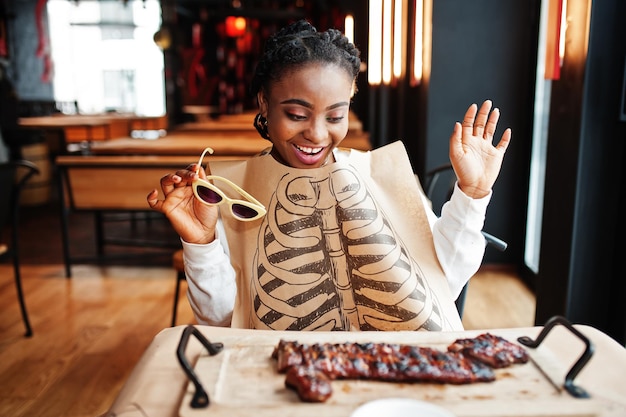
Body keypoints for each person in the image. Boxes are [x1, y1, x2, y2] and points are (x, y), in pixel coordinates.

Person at [147, 20, 511, 332]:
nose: (317, 135)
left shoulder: (381, 181)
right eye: (296, 114)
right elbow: (223, 321)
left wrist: (472, 193)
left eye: (335, 117)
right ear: (263, 104)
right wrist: (201, 242)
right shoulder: (232, 196)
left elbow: (443, 279)